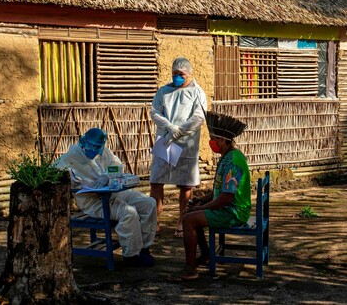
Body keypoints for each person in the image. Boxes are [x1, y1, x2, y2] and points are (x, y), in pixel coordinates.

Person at [54, 127, 157, 267]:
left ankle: (143, 247)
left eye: (98, 146)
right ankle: (131, 255)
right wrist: (71, 179)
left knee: (148, 203)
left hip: (113, 192)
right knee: (128, 213)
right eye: (93, 146)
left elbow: (117, 164)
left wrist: (107, 175)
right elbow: (54, 173)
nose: (95, 149)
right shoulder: (70, 157)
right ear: (83, 142)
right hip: (93, 201)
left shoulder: (104, 152)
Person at [173, 111, 250, 281]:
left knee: (189, 220)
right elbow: (218, 191)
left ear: (223, 140)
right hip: (228, 207)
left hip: (233, 212)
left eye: (214, 138)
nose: (212, 142)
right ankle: (206, 255)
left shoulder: (232, 161)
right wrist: (200, 201)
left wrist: (201, 208)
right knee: (190, 214)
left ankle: (190, 269)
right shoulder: (227, 156)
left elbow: (226, 198)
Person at [150, 57, 207, 237]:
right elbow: (155, 112)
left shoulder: (197, 92)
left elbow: (198, 117)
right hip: (165, 140)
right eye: (174, 74)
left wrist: (180, 131)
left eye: (181, 74)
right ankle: (154, 222)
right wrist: (169, 127)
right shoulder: (163, 91)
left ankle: (182, 222)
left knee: (185, 185)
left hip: (186, 143)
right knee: (156, 181)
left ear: (189, 74)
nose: (177, 77)